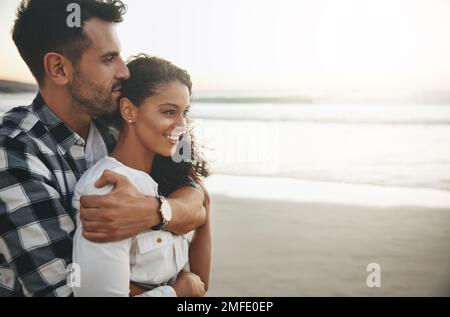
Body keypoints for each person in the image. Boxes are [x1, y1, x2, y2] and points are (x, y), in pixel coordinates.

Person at [0, 0, 205, 297]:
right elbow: (67, 291)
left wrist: (156, 210)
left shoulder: (118, 123)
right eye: (109, 59)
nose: (124, 72)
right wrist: (176, 292)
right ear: (58, 68)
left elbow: (194, 192)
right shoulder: (15, 153)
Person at [72, 54, 211, 297]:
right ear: (128, 110)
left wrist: (203, 201)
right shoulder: (105, 187)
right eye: (169, 112)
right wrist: (177, 292)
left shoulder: (170, 179)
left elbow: (201, 286)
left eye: (184, 113)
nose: (181, 125)